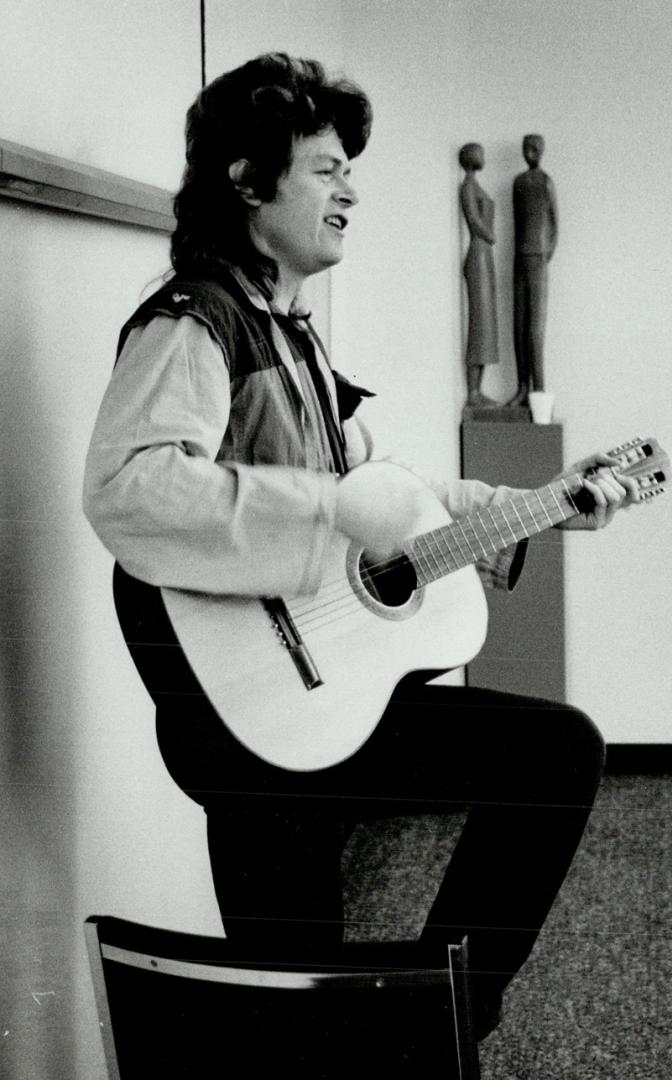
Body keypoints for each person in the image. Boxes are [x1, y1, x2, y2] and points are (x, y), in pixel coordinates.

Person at [81, 54, 634, 1041]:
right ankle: (429, 1022)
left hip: (313, 692)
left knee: (303, 982)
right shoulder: (193, 324)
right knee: (545, 763)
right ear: (247, 182)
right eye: (325, 168)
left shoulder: (290, 335)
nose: (350, 190)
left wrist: (536, 503)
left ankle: (423, 1022)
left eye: (350, 170)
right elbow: (132, 493)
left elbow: (392, 499)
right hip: (243, 705)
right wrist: (330, 510)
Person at [512, 132, 558, 401]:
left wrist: (544, 253)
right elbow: (517, 221)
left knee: (535, 329)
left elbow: (554, 224)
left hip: (538, 258)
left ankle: (538, 389)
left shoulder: (545, 182)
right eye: (526, 148)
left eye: (534, 148)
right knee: (519, 326)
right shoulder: (518, 183)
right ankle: (522, 387)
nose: (529, 152)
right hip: (520, 257)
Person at [458, 140, 499, 406]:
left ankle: (478, 389)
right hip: (478, 254)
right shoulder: (468, 186)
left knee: (486, 326)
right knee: (479, 325)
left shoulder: (474, 185)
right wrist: (490, 235)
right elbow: (474, 219)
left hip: (484, 256)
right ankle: (473, 391)